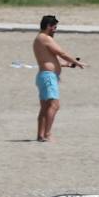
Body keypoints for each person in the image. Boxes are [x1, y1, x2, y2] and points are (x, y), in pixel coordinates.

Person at [33, 15, 84, 143]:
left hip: (44, 76)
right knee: (54, 105)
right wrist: (77, 62)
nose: (55, 30)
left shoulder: (39, 38)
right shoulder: (45, 38)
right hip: (48, 76)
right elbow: (61, 53)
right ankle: (47, 134)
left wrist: (66, 65)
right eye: (54, 27)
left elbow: (48, 59)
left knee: (45, 107)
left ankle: (40, 135)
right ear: (48, 26)